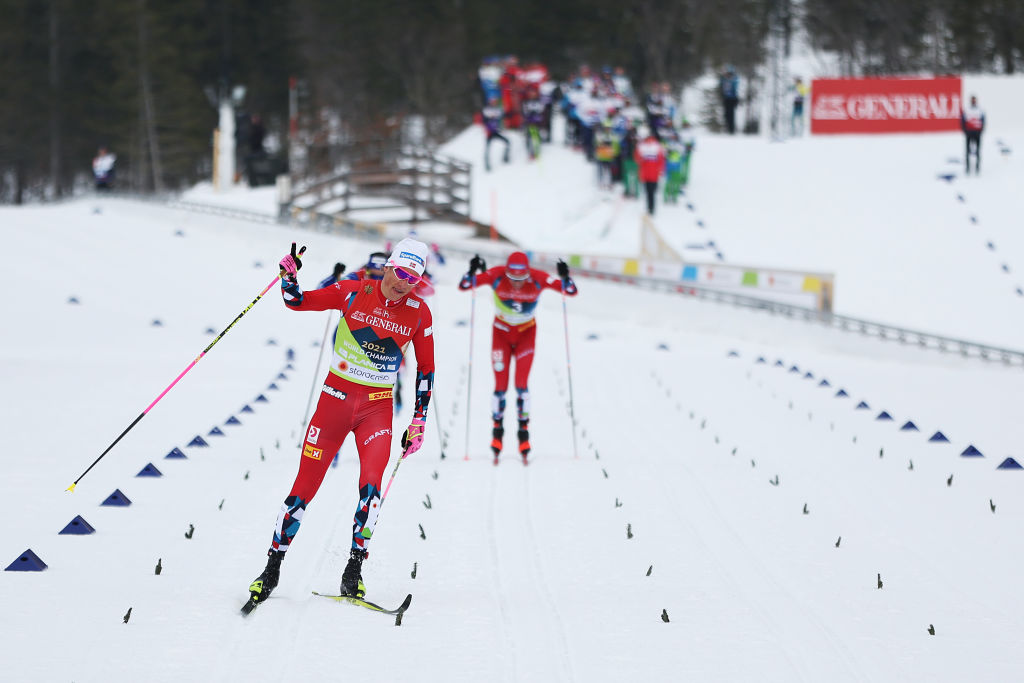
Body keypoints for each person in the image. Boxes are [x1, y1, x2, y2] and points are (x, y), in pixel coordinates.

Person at [246, 238, 435, 608]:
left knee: (371, 491)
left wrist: (419, 419)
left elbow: (426, 370)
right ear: (388, 266)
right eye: (399, 273)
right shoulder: (352, 291)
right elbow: (297, 302)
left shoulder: (419, 312)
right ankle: (271, 568)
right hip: (333, 403)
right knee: (303, 488)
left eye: (412, 279)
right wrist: (288, 277)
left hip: (377, 410)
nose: (402, 284)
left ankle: (353, 571)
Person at [459, 252, 578, 464]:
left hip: (526, 335)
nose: (516, 285)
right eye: (512, 279)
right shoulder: (496, 275)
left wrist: (566, 277)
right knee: (500, 386)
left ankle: (523, 436)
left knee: (522, 384)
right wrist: (472, 271)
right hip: (501, 334)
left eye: (521, 280)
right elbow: (465, 285)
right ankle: (497, 435)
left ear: (527, 274)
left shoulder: (538, 278)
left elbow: (570, 291)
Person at [635, 127, 665, 215]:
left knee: (649, 192)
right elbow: (637, 158)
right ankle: (650, 208)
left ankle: (650, 208)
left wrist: (660, 169)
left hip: (648, 173)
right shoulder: (645, 146)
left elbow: (661, 160)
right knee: (650, 192)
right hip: (650, 173)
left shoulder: (652, 146)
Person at [482, 95, 511, 172]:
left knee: (507, 142)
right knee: (487, 149)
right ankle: (487, 165)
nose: (493, 103)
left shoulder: (498, 110)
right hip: (489, 133)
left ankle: (505, 158)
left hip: (496, 132)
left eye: (495, 101)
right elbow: (484, 121)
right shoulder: (486, 110)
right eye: (492, 101)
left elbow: (503, 116)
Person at [961, 95, 985, 175]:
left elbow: (983, 121)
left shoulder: (980, 110)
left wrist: (981, 131)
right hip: (969, 133)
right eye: (972, 100)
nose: (973, 102)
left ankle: (977, 168)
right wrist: (965, 130)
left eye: (974, 100)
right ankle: (968, 168)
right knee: (967, 151)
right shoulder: (967, 110)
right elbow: (962, 121)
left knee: (978, 151)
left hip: (977, 133)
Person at [720, 67, 740, 135]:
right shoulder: (724, 80)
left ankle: (732, 130)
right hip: (726, 99)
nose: (728, 75)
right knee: (726, 114)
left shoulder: (734, 80)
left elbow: (735, 87)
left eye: (729, 74)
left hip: (732, 99)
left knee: (731, 114)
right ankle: (728, 128)